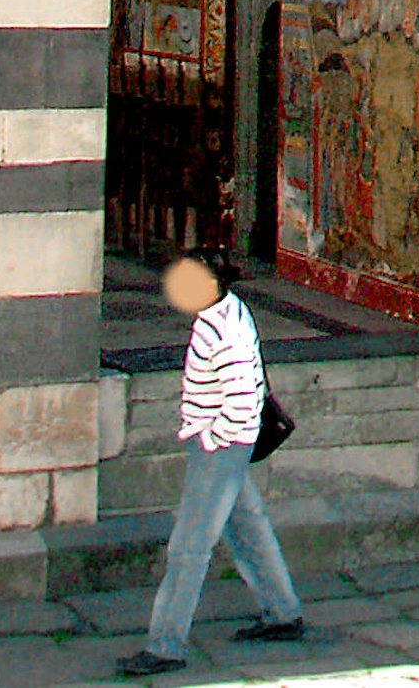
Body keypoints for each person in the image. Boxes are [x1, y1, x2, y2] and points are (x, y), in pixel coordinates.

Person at [121, 247, 306, 677]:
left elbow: (242, 403)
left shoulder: (221, 331)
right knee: (248, 525)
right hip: (229, 447)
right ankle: (282, 612)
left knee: (189, 547)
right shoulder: (229, 312)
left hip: (220, 450)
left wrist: (210, 439)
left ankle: (166, 645)